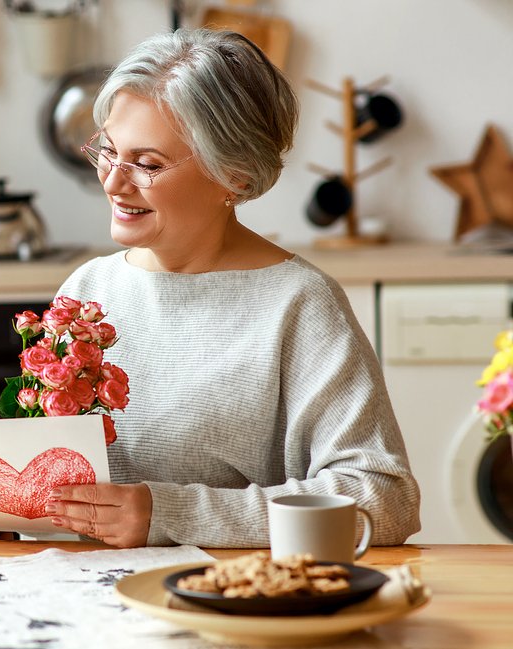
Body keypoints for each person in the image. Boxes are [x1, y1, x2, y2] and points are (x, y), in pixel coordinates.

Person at [43, 29, 421, 548]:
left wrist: (171, 514)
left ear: (236, 177)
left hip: (231, 601)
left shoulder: (299, 303)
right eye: (109, 152)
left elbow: (384, 497)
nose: (113, 182)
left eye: (148, 164)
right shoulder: (87, 288)